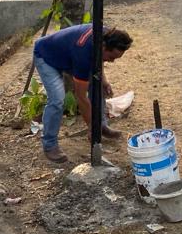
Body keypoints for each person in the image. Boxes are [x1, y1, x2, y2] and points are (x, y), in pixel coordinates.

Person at [33, 23, 133, 163]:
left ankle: (101, 126)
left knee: (98, 83)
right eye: (112, 57)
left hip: (66, 55)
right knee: (57, 100)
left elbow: (99, 60)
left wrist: (104, 80)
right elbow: (81, 97)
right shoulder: (83, 53)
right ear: (103, 47)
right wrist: (90, 127)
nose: (112, 61)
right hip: (46, 56)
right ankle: (50, 145)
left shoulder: (107, 35)